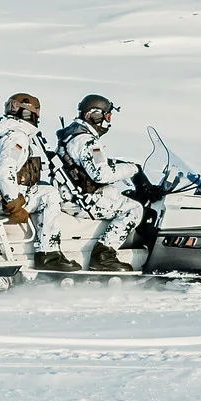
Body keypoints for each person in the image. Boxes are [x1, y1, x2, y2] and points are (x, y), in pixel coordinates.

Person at [0, 92, 73, 272]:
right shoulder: (17, 137)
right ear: (29, 113)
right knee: (50, 195)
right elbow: (5, 170)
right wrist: (14, 204)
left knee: (42, 188)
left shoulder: (1, 132)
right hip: (2, 201)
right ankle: (48, 253)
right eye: (37, 112)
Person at [54, 94, 144, 272]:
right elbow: (100, 174)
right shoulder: (87, 141)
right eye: (107, 116)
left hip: (73, 195)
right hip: (83, 200)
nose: (108, 122)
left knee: (121, 197)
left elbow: (90, 166)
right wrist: (135, 169)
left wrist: (118, 164)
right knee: (133, 209)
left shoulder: (72, 135)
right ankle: (103, 256)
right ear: (95, 115)